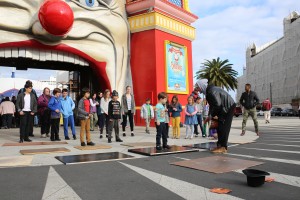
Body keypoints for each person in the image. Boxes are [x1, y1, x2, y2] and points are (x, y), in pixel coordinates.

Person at [197, 80, 236, 154]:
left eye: (198, 87)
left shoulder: (211, 92)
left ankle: (223, 147)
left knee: (223, 127)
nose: (197, 89)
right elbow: (213, 105)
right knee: (220, 127)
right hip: (224, 108)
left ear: (202, 86)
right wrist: (210, 116)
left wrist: (211, 115)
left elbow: (217, 104)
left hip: (227, 107)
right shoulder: (209, 91)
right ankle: (220, 145)